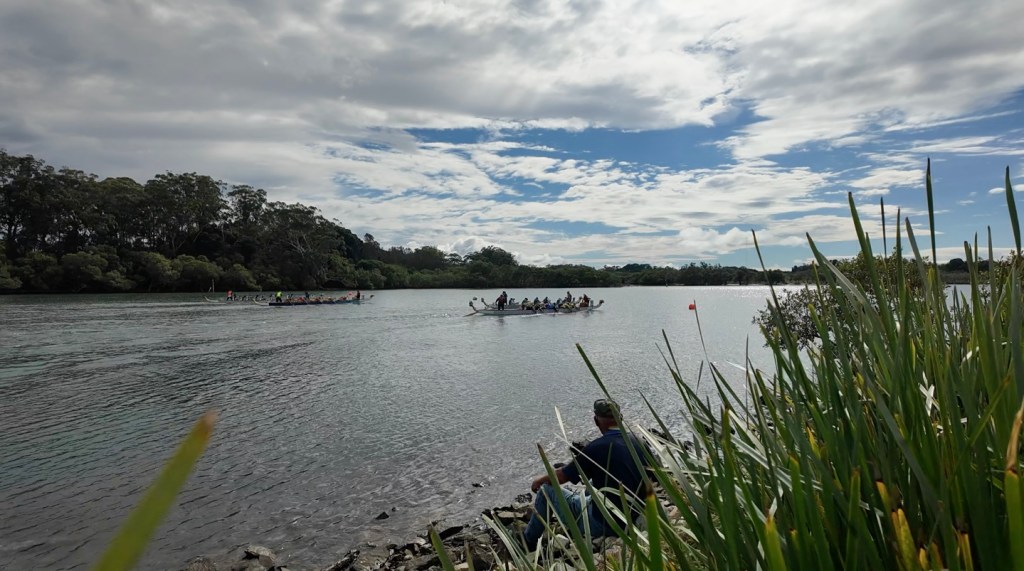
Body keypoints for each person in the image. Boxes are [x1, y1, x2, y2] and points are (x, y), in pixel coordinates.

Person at [523, 399, 650, 551]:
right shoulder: (639, 441)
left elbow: (561, 477)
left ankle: (528, 542)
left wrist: (539, 480)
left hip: (605, 523)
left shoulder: (596, 448)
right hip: (635, 515)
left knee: (545, 491)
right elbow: (655, 476)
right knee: (595, 479)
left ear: (596, 420)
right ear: (620, 417)